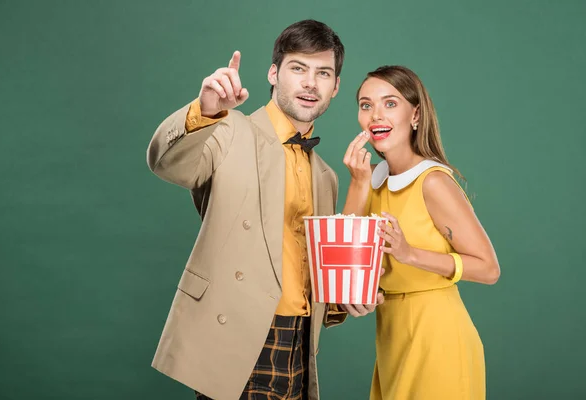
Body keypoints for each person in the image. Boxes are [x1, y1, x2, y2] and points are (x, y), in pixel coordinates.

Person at [146, 19, 369, 400]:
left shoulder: (326, 176)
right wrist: (206, 110)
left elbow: (315, 281)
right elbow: (166, 164)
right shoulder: (227, 128)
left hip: (299, 347)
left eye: (323, 73)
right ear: (273, 72)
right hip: (238, 336)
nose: (311, 83)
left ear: (336, 86)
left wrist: (348, 300)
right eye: (298, 68)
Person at [341, 65, 501, 400]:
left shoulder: (433, 182)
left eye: (390, 103)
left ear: (415, 114)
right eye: (366, 105)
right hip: (391, 340)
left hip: (438, 339)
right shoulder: (369, 178)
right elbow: (346, 268)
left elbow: (488, 268)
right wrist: (358, 184)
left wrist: (410, 254)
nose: (375, 115)